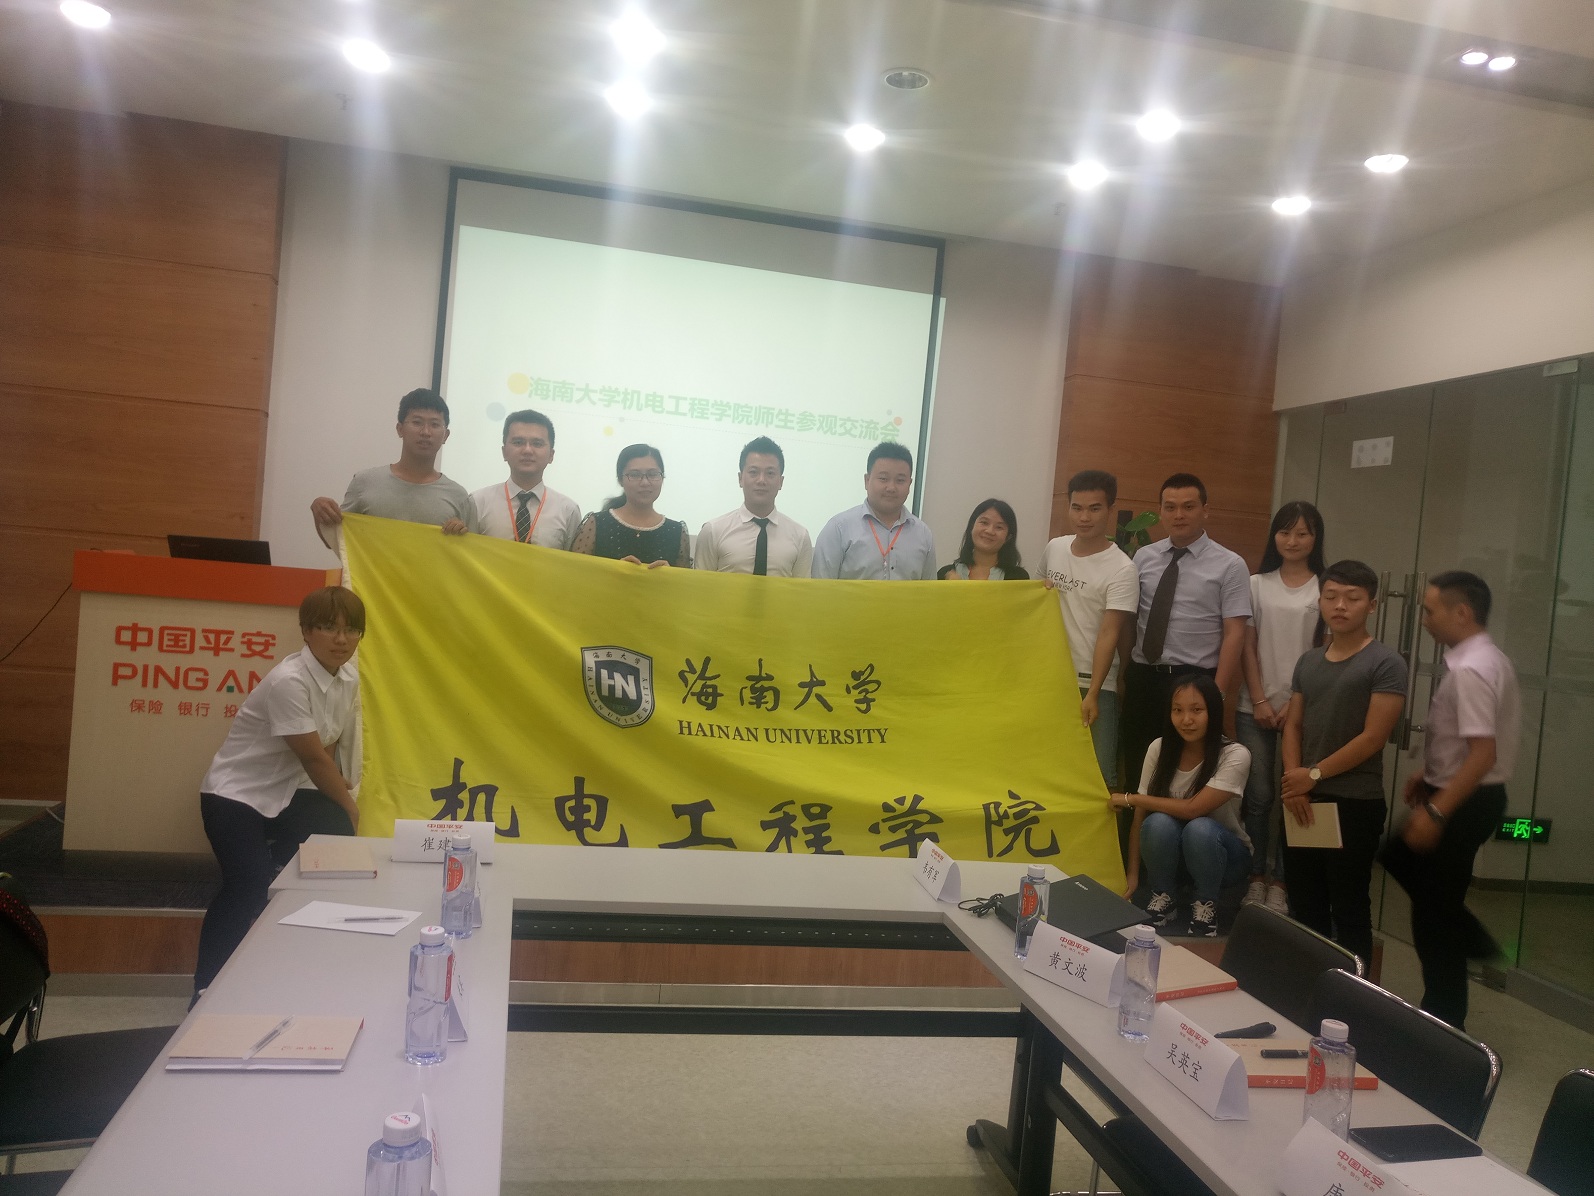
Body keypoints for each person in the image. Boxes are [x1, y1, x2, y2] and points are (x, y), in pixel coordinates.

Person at [193, 586, 364, 998]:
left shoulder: (348, 677)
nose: (341, 639)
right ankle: (205, 989)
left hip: (287, 792)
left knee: (333, 834)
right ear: (305, 631)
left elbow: (327, 744)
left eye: (352, 629)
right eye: (329, 627)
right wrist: (351, 807)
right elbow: (313, 758)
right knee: (247, 885)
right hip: (235, 795)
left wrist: (340, 806)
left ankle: (292, 968)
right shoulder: (289, 681)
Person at [1381, 571, 1519, 1030]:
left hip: (1467, 800)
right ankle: (1473, 946)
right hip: (1464, 791)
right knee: (1411, 874)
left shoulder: (1472, 670)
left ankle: (1445, 1022)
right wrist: (1430, 775)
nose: (1423, 619)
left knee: (1435, 917)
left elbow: (1483, 754)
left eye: (1429, 610)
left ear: (1461, 613)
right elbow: (1469, 743)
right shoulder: (1487, 659)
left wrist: (1438, 811)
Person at [1279, 560, 1406, 966]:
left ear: (1372, 604)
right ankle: (1308, 987)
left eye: (1352, 598)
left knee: (1349, 907)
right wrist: (1294, 782)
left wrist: (1313, 775)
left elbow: (1373, 737)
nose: (1340, 606)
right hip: (1302, 800)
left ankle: (1353, 994)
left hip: (1354, 802)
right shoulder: (1309, 661)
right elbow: (1293, 725)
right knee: (1304, 905)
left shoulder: (1386, 662)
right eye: (1331, 596)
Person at [1120, 472, 1251, 794]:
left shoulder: (1230, 564)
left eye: (1188, 507)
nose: (1179, 515)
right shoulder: (1143, 557)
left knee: (1185, 777)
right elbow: (1130, 620)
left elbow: (1235, 632)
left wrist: (1217, 692)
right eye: (1170, 507)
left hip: (1194, 681)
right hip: (1143, 677)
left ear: (1205, 510)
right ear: (1161, 511)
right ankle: (1134, 827)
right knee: (1137, 768)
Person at [1110, 673, 1252, 937]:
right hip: (1176, 860)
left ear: (1213, 711)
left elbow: (1192, 809)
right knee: (1156, 822)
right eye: (1178, 710)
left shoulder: (1235, 754)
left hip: (1227, 860)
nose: (1186, 720)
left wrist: (1131, 798)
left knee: (1199, 828)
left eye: (1196, 710)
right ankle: (1164, 896)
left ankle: (1206, 906)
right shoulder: (1159, 748)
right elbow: (1140, 819)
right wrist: (1132, 876)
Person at [1237, 500, 1326, 912]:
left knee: (1297, 795)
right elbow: (1247, 646)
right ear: (1274, 535)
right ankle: (1256, 876)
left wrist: (1295, 702)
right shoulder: (1256, 584)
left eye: (1302, 533)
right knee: (1257, 797)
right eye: (1285, 532)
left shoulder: (1325, 587)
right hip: (1252, 706)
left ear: (1315, 538)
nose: (1293, 541)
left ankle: (1284, 883)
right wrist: (1258, 699)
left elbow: (1325, 653)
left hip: (1304, 710)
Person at [1040, 470, 1137, 789]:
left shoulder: (1122, 568)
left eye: (1094, 508)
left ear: (1110, 509)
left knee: (1100, 777)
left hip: (1093, 686)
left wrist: (1094, 692)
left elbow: (1110, 633)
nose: (1084, 517)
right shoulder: (1055, 548)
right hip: (1051, 679)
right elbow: (1037, 599)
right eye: (1077, 507)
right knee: (1048, 767)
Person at [310, 388, 478, 549]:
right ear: (400, 429)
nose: (426, 432)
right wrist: (320, 512)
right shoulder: (365, 482)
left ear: (445, 435)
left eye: (435, 424)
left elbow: (470, 555)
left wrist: (459, 538)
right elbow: (336, 541)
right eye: (417, 422)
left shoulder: (459, 496)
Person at [810, 442, 936, 581]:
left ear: (910, 484)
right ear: (867, 480)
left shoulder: (923, 534)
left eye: (900, 480)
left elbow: (929, 590)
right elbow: (820, 588)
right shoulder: (838, 529)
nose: (891, 487)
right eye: (883, 479)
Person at [694, 436, 813, 576]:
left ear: (781, 482)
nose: (761, 480)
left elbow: (801, 588)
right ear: (740, 478)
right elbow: (701, 586)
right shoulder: (713, 531)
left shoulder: (800, 536)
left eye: (770, 473)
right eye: (753, 472)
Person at [467, 408, 582, 549]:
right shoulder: (478, 502)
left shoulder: (568, 510)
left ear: (551, 455)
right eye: (518, 442)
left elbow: (573, 560)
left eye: (537, 444)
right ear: (504, 452)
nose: (527, 450)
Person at [571, 444, 691, 568]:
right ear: (620, 480)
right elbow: (574, 573)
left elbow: (685, 580)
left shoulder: (676, 532)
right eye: (634, 475)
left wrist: (669, 574)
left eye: (653, 474)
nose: (645, 482)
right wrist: (613, 571)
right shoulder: (597, 523)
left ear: (662, 477)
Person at [938, 498, 1029, 580]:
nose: (990, 531)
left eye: (999, 527)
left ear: (1008, 537)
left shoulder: (1018, 578)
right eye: (984, 522)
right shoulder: (945, 575)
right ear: (972, 526)